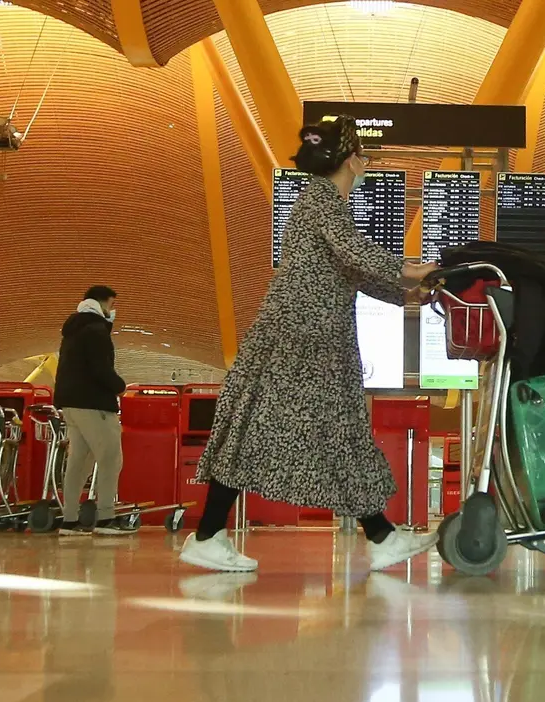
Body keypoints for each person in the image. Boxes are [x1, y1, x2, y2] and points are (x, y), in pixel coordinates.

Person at [179, 116, 436, 574]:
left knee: (280, 430)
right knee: (324, 430)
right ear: (353, 160)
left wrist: (413, 292)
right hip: (304, 339)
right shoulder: (323, 201)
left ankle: (211, 534)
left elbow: (353, 271)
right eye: (364, 155)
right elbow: (356, 253)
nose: (367, 164)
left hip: (301, 337)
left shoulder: (316, 202)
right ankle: (379, 537)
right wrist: (412, 270)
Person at [54, 286, 132, 536]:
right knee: (110, 458)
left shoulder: (72, 331)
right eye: (110, 305)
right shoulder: (96, 331)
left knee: (79, 461)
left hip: (70, 404)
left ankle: (69, 520)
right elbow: (100, 369)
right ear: (103, 304)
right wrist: (120, 387)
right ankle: (107, 517)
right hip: (93, 404)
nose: (112, 311)